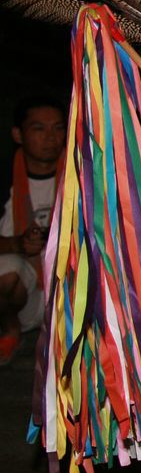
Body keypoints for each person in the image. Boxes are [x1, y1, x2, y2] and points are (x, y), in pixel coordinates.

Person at [0, 96, 65, 364]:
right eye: (39, 129)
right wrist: (17, 244)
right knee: (7, 268)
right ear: (18, 134)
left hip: (69, 293)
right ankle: (8, 329)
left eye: (58, 128)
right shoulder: (4, 178)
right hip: (23, 295)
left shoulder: (82, 172)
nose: (51, 138)